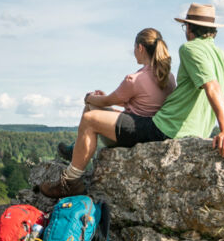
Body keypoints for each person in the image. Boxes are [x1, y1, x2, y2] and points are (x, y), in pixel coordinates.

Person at [39, 3, 224, 198]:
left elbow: (211, 87)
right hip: (192, 132)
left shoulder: (190, 49)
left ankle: (70, 181)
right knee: (98, 116)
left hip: (166, 128)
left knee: (91, 119)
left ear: (188, 29)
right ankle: (75, 162)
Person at [56, 28, 176, 160]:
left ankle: (75, 150)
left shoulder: (134, 79)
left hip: (130, 133)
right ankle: (75, 147)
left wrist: (89, 98)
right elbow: (143, 100)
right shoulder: (168, 77)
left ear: (140, 48)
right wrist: (104, 97)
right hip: (153, 130)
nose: (134, 51)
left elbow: (107, 101)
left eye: (134, 47)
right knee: (98, 106)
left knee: (90, 107)